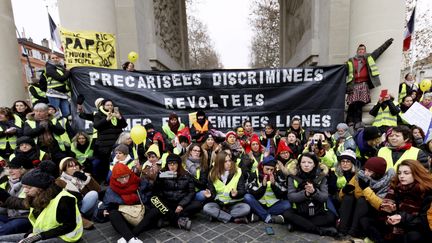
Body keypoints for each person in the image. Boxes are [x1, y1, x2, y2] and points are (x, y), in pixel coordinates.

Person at [0, 168, 83, 243]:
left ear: (40, 187)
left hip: (65, 237)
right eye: (24, 187)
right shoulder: (36, 197)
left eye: (28, 187)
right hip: (43, 234)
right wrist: (30, 235)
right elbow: (18, 203)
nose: (25, 191)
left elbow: (69, 227)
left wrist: (38, 237)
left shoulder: (64, 199)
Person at [363, 159, 432, 242]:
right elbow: (383, 215)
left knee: (413, 236)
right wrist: (390, 212)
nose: (401, 176)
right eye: (399, 173)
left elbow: (424, 221)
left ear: (415, 174)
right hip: (394, 226)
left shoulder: (426, 192)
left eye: (406, 173)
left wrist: (402, 218)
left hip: (414, 228)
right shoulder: (396, 188)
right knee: (365, 220)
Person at [336, 157, 395, 239]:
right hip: (355, 209)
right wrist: (343, 191)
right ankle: (342, 230)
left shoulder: (387, 183)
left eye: (370, 171)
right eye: (366, 169)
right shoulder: (360, 176)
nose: (366, 173)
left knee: (362, 200)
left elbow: (381, 205)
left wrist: (366, 189)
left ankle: (353, 232)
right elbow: (340, 198)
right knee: (348, 197)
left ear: (378, 173)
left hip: (372, 212)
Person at [283, 152, 337, 236]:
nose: (306, 165)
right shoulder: (292, 177)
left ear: (314, 164)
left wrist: (314, 192)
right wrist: (305, 193)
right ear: (299, 164)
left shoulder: (322, 177)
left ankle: (298, 225)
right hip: (300, 211)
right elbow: (291, 197)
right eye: (303, 162)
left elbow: (324, 197)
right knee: (287, 214)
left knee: (331, 217)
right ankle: (319, 231)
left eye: (309, 162)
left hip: (317, 212)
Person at [101, 163, 158, 243]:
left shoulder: (138, 182)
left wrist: (153, 179)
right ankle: (131, 238)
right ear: (115, 178)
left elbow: (149, 195)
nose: (125, 180)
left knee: (155, 211)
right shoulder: (111, 189)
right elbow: (104, 206)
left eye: (126, 176)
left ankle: (129, 237)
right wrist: (103, 211)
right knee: (113, 213)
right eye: (121, 178)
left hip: (141, 216)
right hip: (125, 220)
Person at [345, 38, 394, 126]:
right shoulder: (351, 60)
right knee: (352, 104)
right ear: (357, 51)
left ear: (365, 51)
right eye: (360, 49)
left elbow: (379, 50)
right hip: (354, 85)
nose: (361, 51)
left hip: (364, 85)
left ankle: (358, 122)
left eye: (363, 49)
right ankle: (349, 121)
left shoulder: (369, 57)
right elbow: (343, 70)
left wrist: (388, 43)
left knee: (360, 104)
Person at [153, 154, 201, 230]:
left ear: (178, 164)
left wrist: (181, 204)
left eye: (174, 163)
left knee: (197, 204)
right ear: (167, 164)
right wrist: (158, 179)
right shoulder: (163, 173)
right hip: (168, 202)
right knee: (158, 204)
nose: (172, 166)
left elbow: (192, 192)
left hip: (181, 202)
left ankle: (168, 219)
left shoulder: (186, 175)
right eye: (170, 163)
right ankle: (178, 220)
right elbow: (156, 191)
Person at [203, 151, 250, 223]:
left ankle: (219, 216)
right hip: (219, 204)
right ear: (219, 163)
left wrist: (236, 194)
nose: (229, 163)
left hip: (233, 204)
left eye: (229, 160)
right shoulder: (212, 173)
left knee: (246, 208)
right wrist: (210, 196)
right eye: (225, 162)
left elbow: (242, 191)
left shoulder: (238, 171)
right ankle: (232, 219)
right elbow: (213, 193)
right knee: (206, 208)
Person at [244, 156, 289, 224]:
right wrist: (263, 186)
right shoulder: (254, 175)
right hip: (259, 204)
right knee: (247, 197)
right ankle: (267, 217)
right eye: (267, 169)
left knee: (288, 204)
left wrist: (274, 185)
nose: (269, 172)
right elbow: (253, 194)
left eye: (272, 170)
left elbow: (282, 194)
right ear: (262, 166)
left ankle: (260, 215)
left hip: (273, 205)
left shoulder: (279, 174)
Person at [58, 157, 100, 226]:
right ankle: (79, 217)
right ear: (64, 169)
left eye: (76, 165)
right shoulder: (60, 181)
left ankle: (80, 215)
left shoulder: (84, 175)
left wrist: (86, 179)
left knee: (94, 195)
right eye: (71, 166)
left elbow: (98, 190)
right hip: (74, 207)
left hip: (86, 205)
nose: (75, 168)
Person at [93, 99, 127, 182]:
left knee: (117, 162)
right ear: (103, 106)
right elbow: (96, 125)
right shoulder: (98, 114)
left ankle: (117, 179)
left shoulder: (116, 113)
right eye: (107, 105)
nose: (110, 107)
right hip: (104, 144)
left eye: (111, 105)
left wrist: (119, 117)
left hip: (116, 143)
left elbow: (124, 125)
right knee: (105, 164)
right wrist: (106, 119)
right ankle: (106, 180)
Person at [0, 157, 33, 236]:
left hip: (26, 217)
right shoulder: (8, 182)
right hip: (11, 215)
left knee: (5, 229)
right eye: (9, 168)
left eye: (14, 168)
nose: (10, 171)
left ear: (23, 169)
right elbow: (7, 206)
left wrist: (5, 198)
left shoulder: (32, 182)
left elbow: (27, 205)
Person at [45, 53, 71, 118]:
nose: (55, 59)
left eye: (56, 58)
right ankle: (54, 126)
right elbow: (61, 78)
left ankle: (65, 126)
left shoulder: (61, 67)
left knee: (66, 112)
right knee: (54, 112)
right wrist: (68, 71)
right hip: (53, 93)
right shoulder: (49, 67)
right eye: (53, 58)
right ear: (49, 59)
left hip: (63, 93)